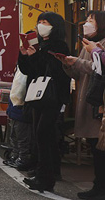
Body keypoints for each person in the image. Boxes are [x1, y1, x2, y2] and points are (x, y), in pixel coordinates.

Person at [18, 11, 71, 193]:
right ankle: (45, 174)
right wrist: (24, 54)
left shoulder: (60, 46)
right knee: (40, 134)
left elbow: (54, 70)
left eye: (45, 22)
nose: (41, 25)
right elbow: (28, 70)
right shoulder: (39, 44)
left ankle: (45, 177)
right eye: (39, 22)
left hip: (52, 96)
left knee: (43, 133)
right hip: (37, 95)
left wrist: (35, 56)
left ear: (55, 26)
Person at [59, 11, 105, 199]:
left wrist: (78, 61)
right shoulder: (88, 45)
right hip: (88, 101)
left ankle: (99, 188)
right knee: (95, 146)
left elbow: (98, 68)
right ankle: (98, 186)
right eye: (86, 20)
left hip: (99, 105)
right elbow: (80, 73)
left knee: (100, 147)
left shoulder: (97, 46)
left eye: (90, 20)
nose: (86, 24)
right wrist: (68, 64)